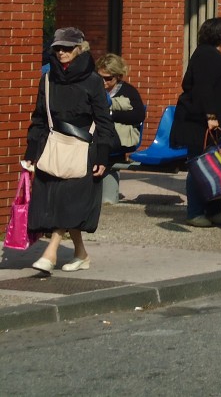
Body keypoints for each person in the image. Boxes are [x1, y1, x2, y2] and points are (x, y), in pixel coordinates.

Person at [21, 27, 117, 274]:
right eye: (57, 48)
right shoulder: (48, 79)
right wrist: (31, 153)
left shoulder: (93, 81)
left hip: (84, 150)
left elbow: (104, 121)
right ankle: (81, 254)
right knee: (55, 203)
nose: (62, 52)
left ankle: (50, 253)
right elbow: (40, 117)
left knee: (68, 202)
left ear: (79, 49)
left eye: (67, 48)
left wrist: (104, 156)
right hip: (52, 149)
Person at [170, 17, 221, 227]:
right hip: (203, 123)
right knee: (200, 166)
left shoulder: (209, 54)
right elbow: (204, 88)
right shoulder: (206, 55)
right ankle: (195, 212)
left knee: (217, 166)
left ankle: (214, 210)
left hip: (215, 123)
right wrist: (211, 116)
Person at [96, 53, 147, 203]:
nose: (104, 82)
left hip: (122, 135)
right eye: (100, 78)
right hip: (103, 133)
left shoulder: (128, 91)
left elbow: (138, 116)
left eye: (108, 78)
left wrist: (111, 114)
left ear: (118, 76)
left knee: (101, 146)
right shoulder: (95, 89)